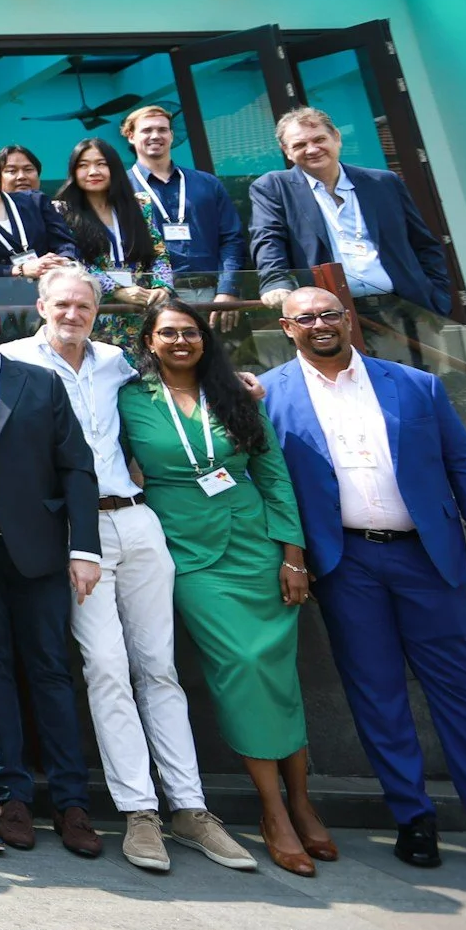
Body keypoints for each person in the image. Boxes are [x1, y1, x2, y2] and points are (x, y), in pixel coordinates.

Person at [258, 287, 466, 889]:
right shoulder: (268, 395)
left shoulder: (415, 384)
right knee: (377, 695)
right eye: (306, 318)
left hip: (428, 558)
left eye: (330, 314)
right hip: (345, 563)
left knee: (462, 695)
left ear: (348, 321)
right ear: (287, 328)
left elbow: (464, 465)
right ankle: (413, 819)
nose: (320, 325)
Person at [2, 270, 222, 873]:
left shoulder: (118, 363)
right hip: (76, 532)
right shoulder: (9, 361)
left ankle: (191, 807)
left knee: (159, 666)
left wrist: (244, 386)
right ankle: (138, 810)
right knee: (104, 666)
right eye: (62, 303)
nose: (72, 313)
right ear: (40, 306)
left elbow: (183, 390)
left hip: (138, 518)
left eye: (83, 304)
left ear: (97, 310)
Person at [119, 294, 316, 874]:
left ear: (205, 337)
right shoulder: (129, 398)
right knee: (243, 667)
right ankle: (272, 810)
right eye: (168, 333)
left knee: (278, 670)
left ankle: (302, 804)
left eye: (190, 332)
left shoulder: (235, 391)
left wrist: (293, 555)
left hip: (257, 547)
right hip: (188, 554)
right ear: (149, 342)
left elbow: (273, 473)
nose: (181, 341)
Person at [0, 283, 109, 857]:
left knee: (51, 670)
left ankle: (71, 801)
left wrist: (84, 548)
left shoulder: (38, 381)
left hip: (37, 547)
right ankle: (11, 794)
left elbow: (78, 469)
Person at [251, 107, 454, 340]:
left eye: (319, 139)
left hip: (406, 311)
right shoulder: (274, 187)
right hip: (329, 318)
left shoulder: (383, 182)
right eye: (299, 145)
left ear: (336, 137)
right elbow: (268, 240)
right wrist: (275, 280)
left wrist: (438, 299)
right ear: (286, 151)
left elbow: (424, 245)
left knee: (418, 376)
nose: (312, 149)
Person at [120, 106, 245, 290]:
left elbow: (231, 239)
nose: (155, 136)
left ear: (171, 135)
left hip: (212, 295)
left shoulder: (207, 183)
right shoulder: (119, 188)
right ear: (131, 136)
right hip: (152, 295)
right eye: (146, 130)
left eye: (162, 130)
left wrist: (228, 289)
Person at [55, 137, 171, 304]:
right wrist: (116, 290)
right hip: (91, 308)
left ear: (114, 168)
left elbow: (158, 251)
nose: (93, 171)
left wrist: (162, 286)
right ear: (73, 171)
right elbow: (73, 261)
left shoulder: (140, 206)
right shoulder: (61, 211)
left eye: (101, 164)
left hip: (142, 304)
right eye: (83, 165)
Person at [0, 140, 79, 279]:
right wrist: (18, 270)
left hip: (50, 286)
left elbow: (64, 242)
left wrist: (64, 261)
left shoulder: (35, 201)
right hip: (0, 294)